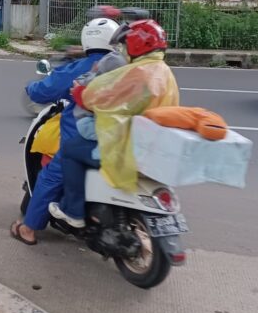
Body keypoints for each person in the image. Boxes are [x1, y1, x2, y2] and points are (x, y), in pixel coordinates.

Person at [48, 20, 180, 229]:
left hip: (125, 145)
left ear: (136, 46)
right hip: (149, 143)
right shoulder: (163, 71)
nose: (122, 50)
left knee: (70, 150)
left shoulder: (137, 73)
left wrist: (79, 93)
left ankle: (73, 211)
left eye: (125, 45)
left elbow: (104, 99)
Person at [10, 17, 122, 245]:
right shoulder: (125, 65)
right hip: (121, 138)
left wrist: (31, 86)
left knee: (50, 177)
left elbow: (43, 91)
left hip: (84, 139)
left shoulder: (83, 67)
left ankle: (28, 228)